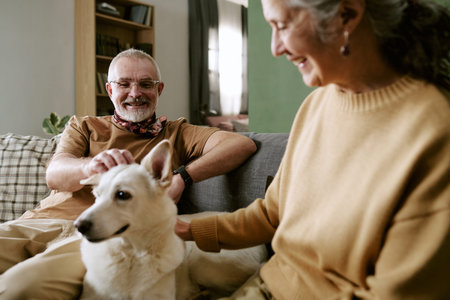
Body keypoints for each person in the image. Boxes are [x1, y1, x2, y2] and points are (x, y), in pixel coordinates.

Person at [176, 0, 450, 299]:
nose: (275, 48)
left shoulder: (434, 132)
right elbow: (271, 214)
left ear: (347, 15)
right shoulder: (317, 104)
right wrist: (186, 230)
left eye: (281, 25)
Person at [0, 48, 257, 299]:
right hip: (37, 221)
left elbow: (241, 145)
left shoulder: (177, 133)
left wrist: (182, 176)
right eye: (124, 84)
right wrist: (89, 166)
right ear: (110, 90)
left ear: (159, 89)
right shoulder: (84, 125)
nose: (135, 93)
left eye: (146, 84)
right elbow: (54, 174)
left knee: (15, 289)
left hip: (96, 235)